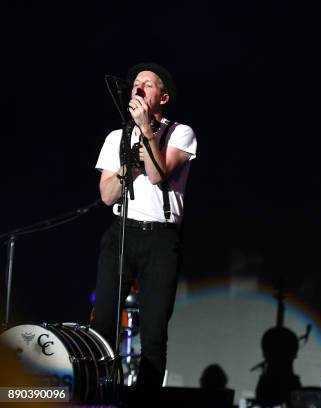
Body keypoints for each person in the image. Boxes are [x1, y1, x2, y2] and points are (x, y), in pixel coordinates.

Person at [92, 62, 197, 387]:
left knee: (153, 333)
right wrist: (126, 169)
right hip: (122, 232)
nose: (138, 87)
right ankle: (102, 391)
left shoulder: (181, 132)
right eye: (135, 83)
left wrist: (146, 131)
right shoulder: (115, 137)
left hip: (161, 239)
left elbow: (157, 173)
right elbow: (108, 195)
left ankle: (146, 400)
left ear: (162, 97)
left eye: (147, 84)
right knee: (103, 325)